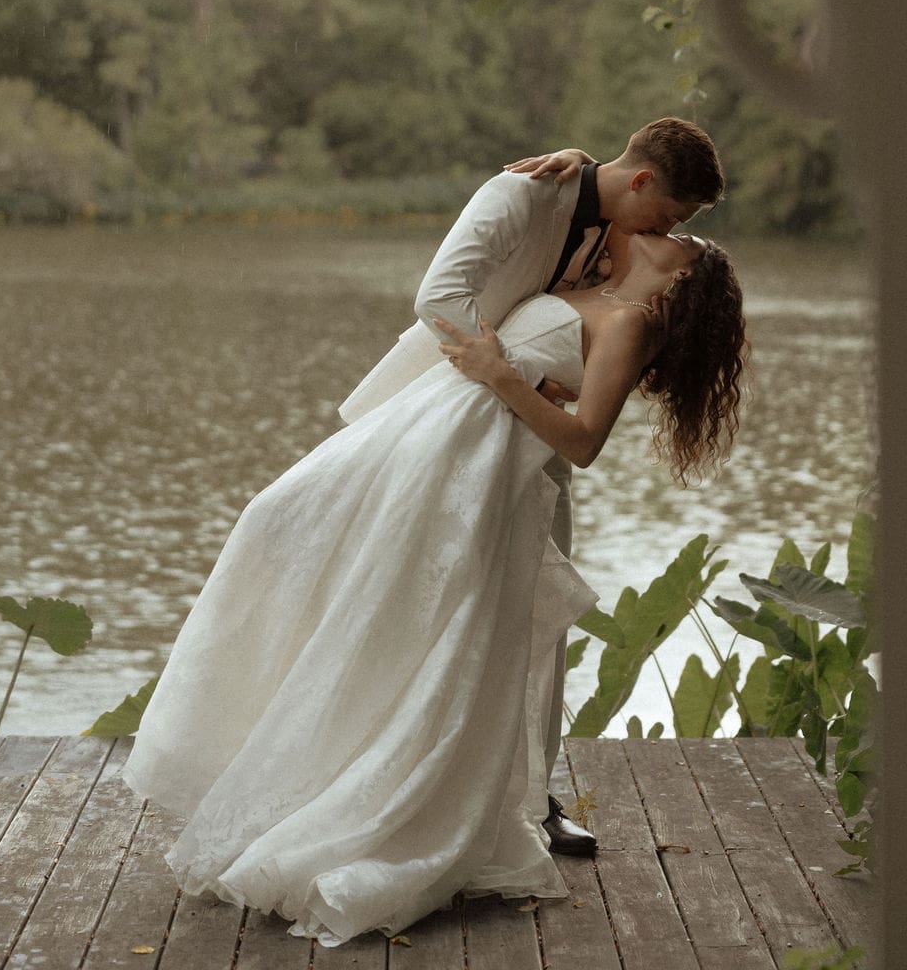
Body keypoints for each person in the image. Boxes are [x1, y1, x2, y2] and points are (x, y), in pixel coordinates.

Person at [121, 235, 746, 950]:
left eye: (685, 238)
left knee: (430, 634)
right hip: (424, 436)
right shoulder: (589, 271)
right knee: (289, 534)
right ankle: (285, 754)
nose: (670, 230)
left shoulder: (631, 321)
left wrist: (501, 374)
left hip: (477, 467)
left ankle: (394, 810)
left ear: (685, 275)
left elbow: (582, 442)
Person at [337, 116, 725, 855]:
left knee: (538, 623)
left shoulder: (619, 250)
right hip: (450, 419)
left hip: (533, 447)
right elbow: (439, 300)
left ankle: (532, 798)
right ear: (642, 182)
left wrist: (521, 378)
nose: (668, 231)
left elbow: (601, 349)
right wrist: (497, 369)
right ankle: (388, 774)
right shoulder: (526, 195)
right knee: (423, 603)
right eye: (670, 217)